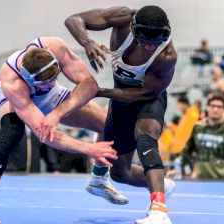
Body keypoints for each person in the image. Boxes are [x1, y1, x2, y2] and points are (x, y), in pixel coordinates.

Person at [0, 36, 121, 224]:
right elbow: (45, 136)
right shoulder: (13, 84)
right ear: (29, 79)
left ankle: (98, 180)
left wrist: (56, 114)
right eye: (47, 82)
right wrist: (88, 148)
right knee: (12, 132)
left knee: (109, 125)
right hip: (18, 97)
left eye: (54, 78)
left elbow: (90, 85)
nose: (51, 83)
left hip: (46, 95)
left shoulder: (55, 47)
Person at [65, 5, 177, 223]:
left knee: (145, 138)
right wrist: (88, 43)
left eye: (154, 43)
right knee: (119, 173)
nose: (148, 47)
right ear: (134, 30)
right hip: (120, 100)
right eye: (144, 41)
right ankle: (159, 183)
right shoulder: (123, 18)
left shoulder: (167, 55)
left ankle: (159, 210)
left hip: (147, 99)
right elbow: (73, 19)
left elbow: (143, 93)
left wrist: (99, 92)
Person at [182, 93, 224, 180]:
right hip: (199, 179)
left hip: (223, 180)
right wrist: (177, 168)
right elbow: (186, 151)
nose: (215, 109)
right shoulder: (198, 127)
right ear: (207, 107)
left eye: (219, 107)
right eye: (212, 106)